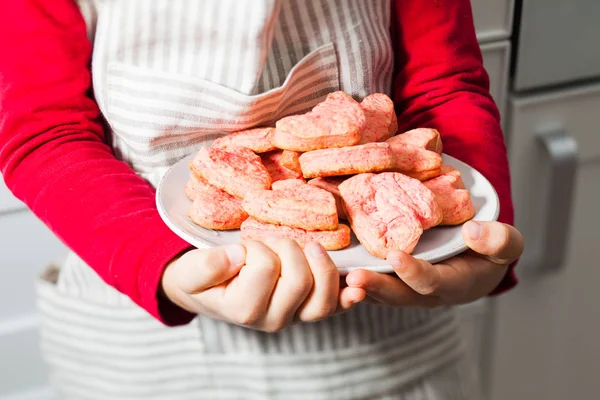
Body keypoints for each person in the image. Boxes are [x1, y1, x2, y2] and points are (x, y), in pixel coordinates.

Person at [0, 0, 524, 399]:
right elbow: (44, 131)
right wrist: (168, 268)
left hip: (388, 332)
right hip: (139, 340)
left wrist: (474, 243)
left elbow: (443, 84)